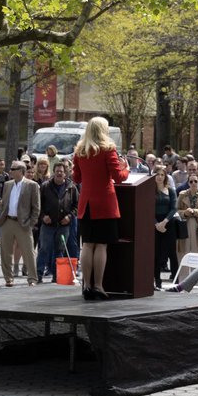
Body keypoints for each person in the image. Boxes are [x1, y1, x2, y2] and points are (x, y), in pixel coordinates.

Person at [72, 116, 129, 300]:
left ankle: (86, 285)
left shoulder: (80, 150)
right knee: (101, 245)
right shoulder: (108, 149)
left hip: (86, 205)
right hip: (104, 204)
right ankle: (98, 286)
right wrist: (125, 167)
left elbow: (76, 178)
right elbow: (119, 177)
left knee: (88, 245)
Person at [0, 160, 40, 287]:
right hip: (7, 221)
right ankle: (8, 278)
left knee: (29, 252)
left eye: (13, 169)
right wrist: (2, 207)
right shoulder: (7, 184)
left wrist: (31, 223)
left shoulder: (32, 185)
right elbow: (5, 202)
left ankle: (32, 278)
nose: (10, 171)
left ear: (21, 171)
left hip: (24, 223)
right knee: (5, 252)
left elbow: (36, 207)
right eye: (11, 168)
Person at [37, 160, 79, 282]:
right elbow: (38, 204)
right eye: (57, 171)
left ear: (65, 173)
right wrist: (43, 216)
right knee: (44, 249)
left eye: (61, 171)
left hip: (63, 225)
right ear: (53, 172)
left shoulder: (71, 187)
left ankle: (57, 277)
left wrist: (70, 217)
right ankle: (37, 275)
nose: (59, 173)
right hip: (48, 225)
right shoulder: (45, 186)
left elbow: (77, 205)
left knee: (59, 251)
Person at [152, 167, 179, 289]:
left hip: (169, 223)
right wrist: (156, 224)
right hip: (155, 224)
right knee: (157, 253)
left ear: (165, 177)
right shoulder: (150, 191)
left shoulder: (171, 190)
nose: (159, 177)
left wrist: (164, 222)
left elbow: (174, 208)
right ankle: (157, 280)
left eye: (162, 174)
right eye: (157, 174)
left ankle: (176, 279)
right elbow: (148, 208)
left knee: (172, 252)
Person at [176, 170, 198, 260]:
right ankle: (184, 273)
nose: (193, 183)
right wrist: (185, 213)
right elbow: (176, 210)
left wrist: (194, 211)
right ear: (188, 183)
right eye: (191, 181)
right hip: (185, 224)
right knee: (185, 250)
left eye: (195, 181)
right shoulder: (182, 194)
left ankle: (197, 273)